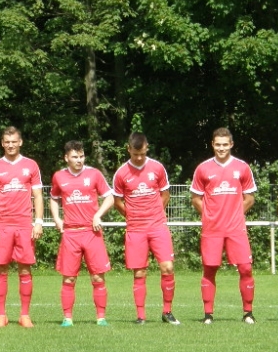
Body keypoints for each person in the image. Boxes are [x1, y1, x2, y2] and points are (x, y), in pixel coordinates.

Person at [190, 128, 257, 324]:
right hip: (212, 229)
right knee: (209, 269)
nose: (221, 148)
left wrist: (234, 214)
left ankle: (248, 313)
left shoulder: (242, 167)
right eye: (218, 144)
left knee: (245, 268)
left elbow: (250, 198)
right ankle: (208, 314)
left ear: (231, 145)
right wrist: (210, 216)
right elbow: (196, 198)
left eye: (225, 144)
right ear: (212, 144)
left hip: (236, 228)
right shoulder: (203, 169)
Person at [112, 132, 180, 325]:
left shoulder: (157, 168)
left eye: (142, 154)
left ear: (147, 148)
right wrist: (132, 216)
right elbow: (117, 201)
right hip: (136, 229)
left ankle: (167, 312)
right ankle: (141, 316)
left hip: (157, 226)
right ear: (129, 150)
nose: (139, 158)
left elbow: (165, 194)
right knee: (139, 272)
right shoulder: (121, 173)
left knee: (168, 267)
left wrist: (155, 212)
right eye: (135, 154)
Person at [0, 126, 44, 328]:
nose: (10, 145)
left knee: (25, 269)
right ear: (2, 143)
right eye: (7, 142)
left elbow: (38, 196)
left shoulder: (31, 165)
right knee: (0, 269)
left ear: (20, 142)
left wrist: (38, 222)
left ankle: (24, 315)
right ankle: (1, 315)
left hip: (24, 224)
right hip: (2, 225)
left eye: (14, 141)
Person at [50, 140, 115, 327]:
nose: (79, 160)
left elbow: (109, 197)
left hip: (91, 232)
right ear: (66, 158)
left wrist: (98, 215)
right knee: (69, 278)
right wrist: (57, 218)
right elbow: (53, 198)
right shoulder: (59, 177)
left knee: (98, 277)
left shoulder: (94, 174)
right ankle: (67, 318)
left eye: (81, 156)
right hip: (71, 234)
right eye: (75, 157)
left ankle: (101, 318)